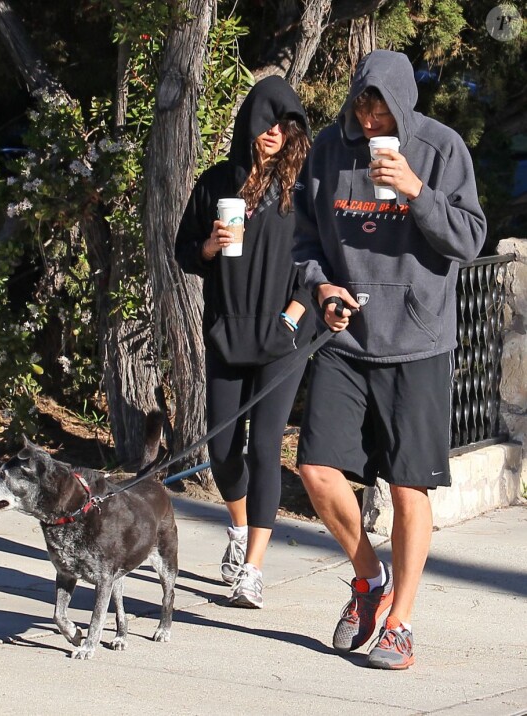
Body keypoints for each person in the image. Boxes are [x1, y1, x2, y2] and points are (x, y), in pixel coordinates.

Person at [292, 50, 487, 668]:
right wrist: (322, 287)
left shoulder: (442, 148)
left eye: (381, 107)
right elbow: (304, 240)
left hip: (417, 341)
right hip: (347, 339)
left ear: (402, 103)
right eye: (362, 104)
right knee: (316, 471)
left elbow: (469, 237)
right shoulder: (329, 149)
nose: (371, 118)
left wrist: (416, 191)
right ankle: (369, 578)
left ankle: (400, 623)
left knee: (408, 489)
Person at [175, 76, 313, 608]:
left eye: (286, 123)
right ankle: (238, 528)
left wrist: (293, 318)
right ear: (250, 123)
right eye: (267, 121)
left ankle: (252, 569)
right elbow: (185, 252)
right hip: (227, 331)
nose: (275, 131)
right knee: (222, 449)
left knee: (264, 449)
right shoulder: (216, 183)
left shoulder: (300, 189)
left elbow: (316, 260)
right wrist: (209, 245)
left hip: (284, 335)